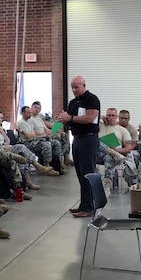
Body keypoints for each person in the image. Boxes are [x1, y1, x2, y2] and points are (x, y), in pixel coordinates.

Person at [57, 75, 100, 218]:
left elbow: (90, 117)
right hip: (76, 139)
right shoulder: (73, 102)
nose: (74, 90)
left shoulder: (92, 99)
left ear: (84, 85)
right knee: (80, 174)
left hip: (89, 139)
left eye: (77, 87)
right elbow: (70, 121)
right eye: (72, 87)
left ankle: (89, 207)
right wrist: (62, 120)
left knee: (87, 174)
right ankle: (84, 205)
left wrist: (70, 118)